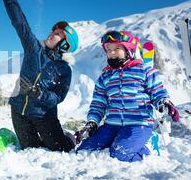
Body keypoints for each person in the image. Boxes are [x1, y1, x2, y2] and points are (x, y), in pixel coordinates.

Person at [0, 0, 79, 152]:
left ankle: (68, 137)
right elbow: (20, 25)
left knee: (61, 150)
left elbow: (59, 97)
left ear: (66, 45)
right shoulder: (34, 49)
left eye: (58, 34)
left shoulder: (64, 69)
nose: (52, 34)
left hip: (43, 115)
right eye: (54, 31)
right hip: (19, 110)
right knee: (31, 149)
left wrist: (40, 94)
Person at [75, 30, 180, 162]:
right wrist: (92, 123)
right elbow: (98, 104)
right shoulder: (105, 77)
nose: (111, 53)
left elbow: (157, 92)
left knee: (119, 154)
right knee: (84, 151)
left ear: (129, 50)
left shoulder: (144, 71)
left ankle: (147, 147)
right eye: (108, 49)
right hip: (111, 125)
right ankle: (123, 141)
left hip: (138, 124)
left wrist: (164, 102)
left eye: (117, 48)